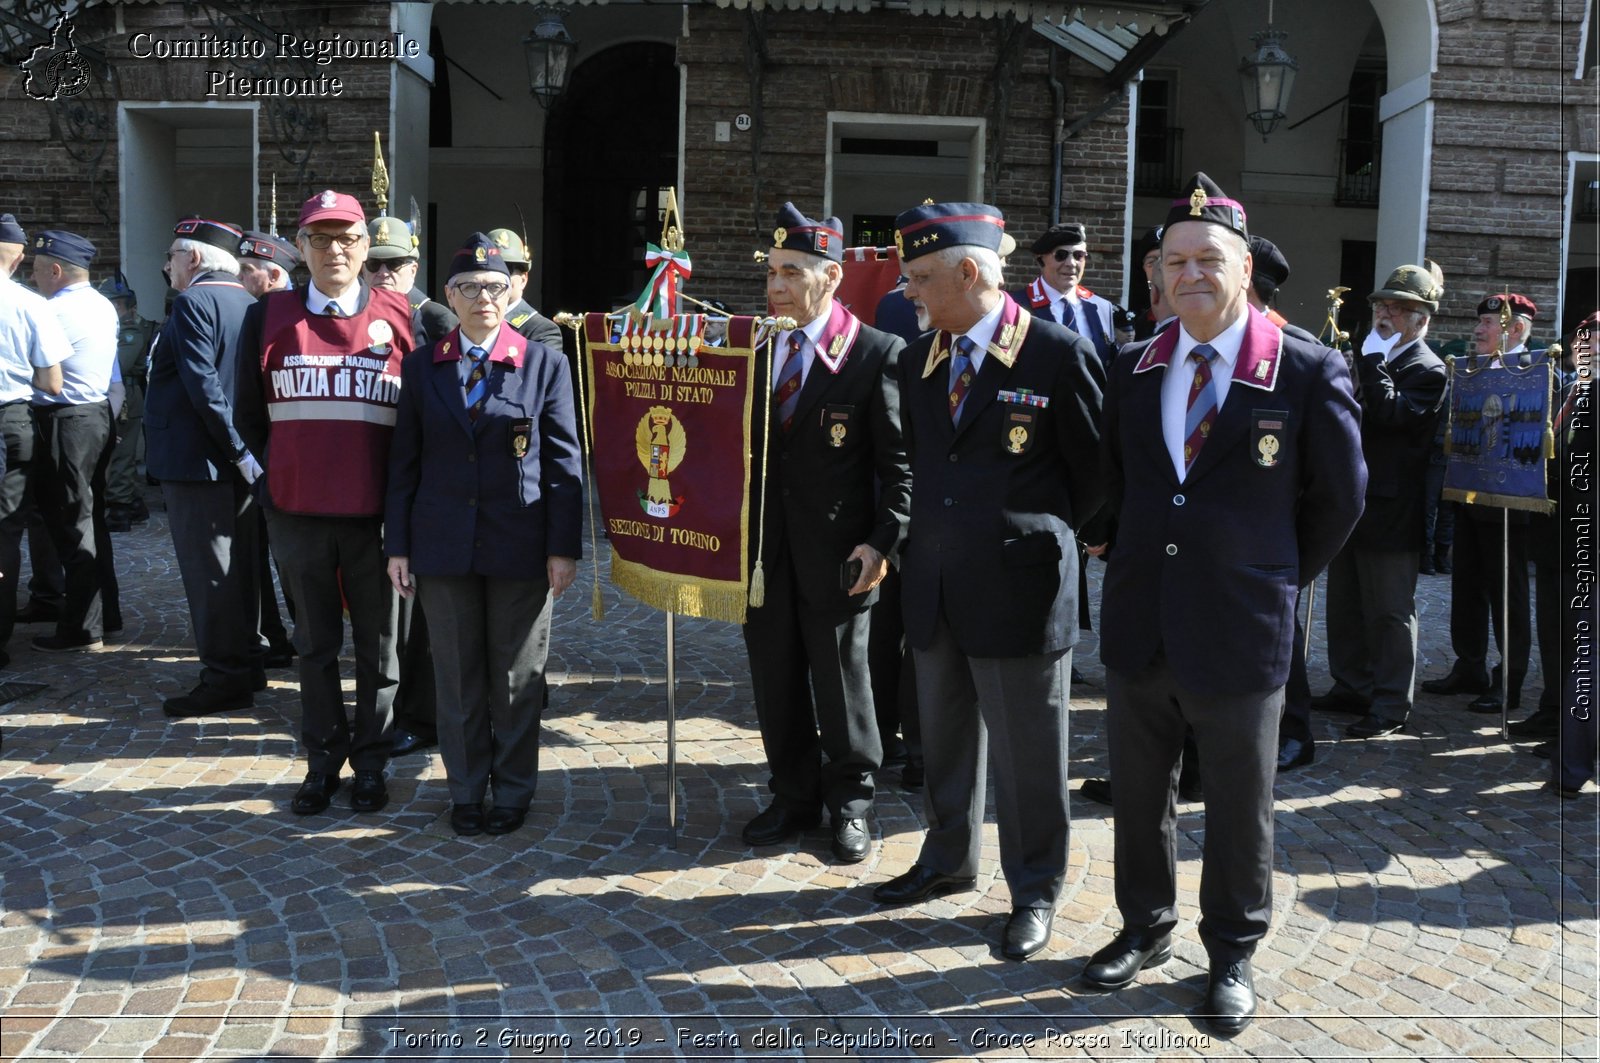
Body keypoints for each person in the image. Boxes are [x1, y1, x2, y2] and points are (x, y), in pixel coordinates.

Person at [1083, 173, 1364, 1034]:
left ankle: (1233, 949)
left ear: (1245, 268)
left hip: (1242, 623)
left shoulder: (1307, 365)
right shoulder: (1133, 365)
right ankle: (1144, 925)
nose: (1191, 272)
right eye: (1176, 261)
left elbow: (1341, 496)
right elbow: (1115, 480)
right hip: (1143, 616)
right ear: (1157, 273)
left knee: (1242, 800)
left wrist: (1275, 571)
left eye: (1210, 258)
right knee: (1138, 791)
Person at [872, 202, 1105, 963]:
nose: (908, 293)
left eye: (919, 280)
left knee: (1029, 756)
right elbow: (917, 465)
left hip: (1019, 588)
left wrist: (1031, 531)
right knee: (943, 741)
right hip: (936, 584)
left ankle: (1035, 886)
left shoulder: (1056, 353)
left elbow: (1099, 478)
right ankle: (947, 855)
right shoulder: (919, 357)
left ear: (968, 273)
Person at [385, 233, 582, 837]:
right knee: (458, 675)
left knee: (517, 677)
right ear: (449, 295)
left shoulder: (544, 361)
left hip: (519, 543)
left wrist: (563, 547)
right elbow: (404, 462)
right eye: (469, 288)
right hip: (442, 545)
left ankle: (514, 790)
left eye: (494, 287)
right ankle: (466, 788)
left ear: (512, 290)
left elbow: (563, 462)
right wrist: (398, 544)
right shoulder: (423, 366)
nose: (483, 298)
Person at [739, 203, 910, 864]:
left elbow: (900, 469)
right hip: (762, 556)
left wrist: (882, 542)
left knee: (844, 686)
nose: (776, 286)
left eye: (791, 272)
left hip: (842, 555)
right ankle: (792, 794)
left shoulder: (874, 353)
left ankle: (852, 800)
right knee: (775, 680)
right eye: (773, 272)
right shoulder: (752, 348)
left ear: (831, 276)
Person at [235, 190, 409, 817]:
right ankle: (321, 763)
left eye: (347, 238)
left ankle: (371, 764)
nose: (334, 250)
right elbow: (247, 417)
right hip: (299, 515)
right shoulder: (268, 316)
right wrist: (272, 486)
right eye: (320, 238)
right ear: (300, 248)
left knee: (378, 651)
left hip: (379, 520)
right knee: (314, 647)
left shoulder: (411, 316)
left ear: (367, 247)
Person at [1315, 265, 1448, 741]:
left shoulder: (1426, 368)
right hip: (1352, 499)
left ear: (1421, 318)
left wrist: (1370, 360)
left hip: (1393, 508)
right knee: (1345, 602)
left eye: (1395, 308)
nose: (1383, 315)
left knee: (1389, 610)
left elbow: (1392, 416)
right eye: (1379, 306)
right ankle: (1352, 684)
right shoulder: (1369, 355)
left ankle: (1391, 703)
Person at [146, 216, 262, 717]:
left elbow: (203, 387)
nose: (167, 265)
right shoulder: (246, 301)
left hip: (202, 461)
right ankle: (244, 664)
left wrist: (237, 450)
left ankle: (226, 677)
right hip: (230, 460)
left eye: (172, 255)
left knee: (209, 574)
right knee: (238, 571)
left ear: (192, 258)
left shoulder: (195, 301)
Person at [1420, 293, 1538, 714]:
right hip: (1469, 494)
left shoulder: (1537, 372)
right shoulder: (1471, 372)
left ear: (1516, 328)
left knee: (1508, 594)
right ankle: (1469, 665)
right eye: (1481, 322)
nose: (1478, 330)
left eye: (1489, 323)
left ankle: (1510, 679)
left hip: (1511, 502)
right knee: (1466, 585)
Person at [28, 230, 119, 653]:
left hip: (66, 420)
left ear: (56, 270)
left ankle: (84, 627)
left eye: (37, 268)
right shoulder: (102, 304)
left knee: (72, 522)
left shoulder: (54, 311)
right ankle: (106, 613)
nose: (33, 275)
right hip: (94, 415)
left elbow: (39, 369)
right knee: (90, 518)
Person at [0, 213, 68, 667]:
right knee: (5, 531)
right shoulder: (29, 304)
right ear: (21, 257)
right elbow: (54, 382)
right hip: (11, 418)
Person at [237, 230, 299, 669]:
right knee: (287, 569)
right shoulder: (256, 314)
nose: (240, 278)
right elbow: (249, 407)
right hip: (277, 469)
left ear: (274, 274)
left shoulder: (285, 315)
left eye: (247, 271)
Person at [1014, 222, 1125, 368]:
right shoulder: (1016, 305)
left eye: (1079, 256)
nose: (1071, 263)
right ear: (1041, 260)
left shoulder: (1102, 308)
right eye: (1061, 255)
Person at [102, 276, 156, 532]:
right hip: (118, 395)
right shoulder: (112, 328)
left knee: (121, 455)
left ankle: (120, 508)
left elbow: (118, 366)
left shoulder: (129, 331)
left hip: (127, 398)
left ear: (118, 305)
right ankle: (133, 503)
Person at [365, 215, 457, 348]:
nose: (383, 273)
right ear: (363, 269)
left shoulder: (437, 320)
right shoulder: (352, 314)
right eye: (373, 264)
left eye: (394, 264)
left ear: (413, 270)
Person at [487, 228, 563, 350]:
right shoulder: (469, 320)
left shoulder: (542, 330)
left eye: (507, 269)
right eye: (490, 269)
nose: (497, 277)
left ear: (523, 280)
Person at [237, 231, 300, 298]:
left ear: (274, 276)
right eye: (238, 269)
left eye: (246, 269)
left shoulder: (287, 307)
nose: (238, 276)